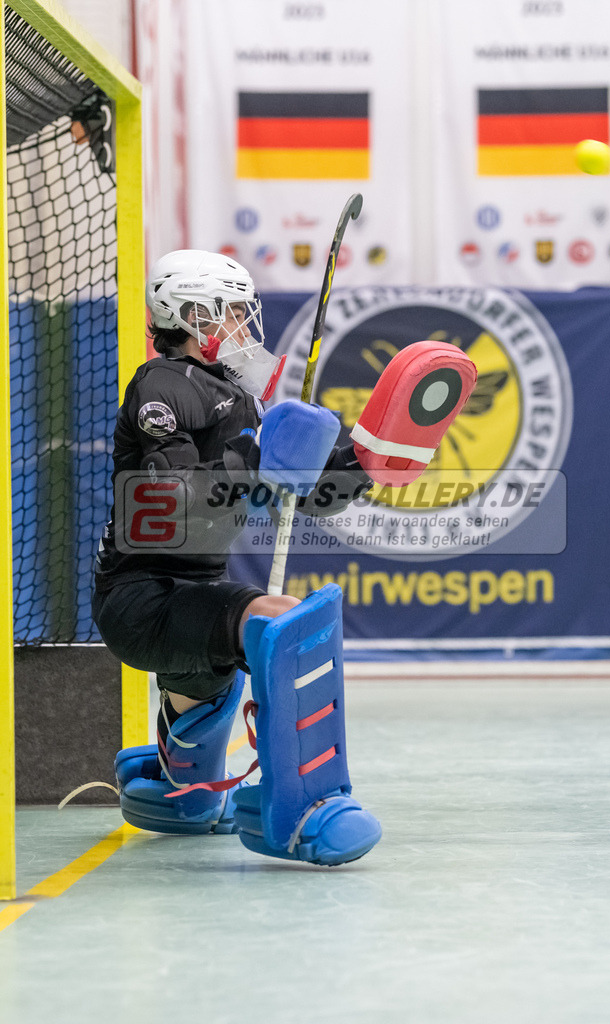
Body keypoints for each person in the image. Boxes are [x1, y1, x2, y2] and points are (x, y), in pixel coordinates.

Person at [92, 249, 372, 846]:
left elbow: (312, 497)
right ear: (193, 316)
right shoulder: (162, 385)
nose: (246, 329)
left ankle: (180, 794)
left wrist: (364, 462)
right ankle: (304, 809)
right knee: (286, 623)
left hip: (189, 599)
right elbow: (171, 494)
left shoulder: (244, 401)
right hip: (143, 598)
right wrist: (254, 463)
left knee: (211, 679)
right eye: (234, 315)